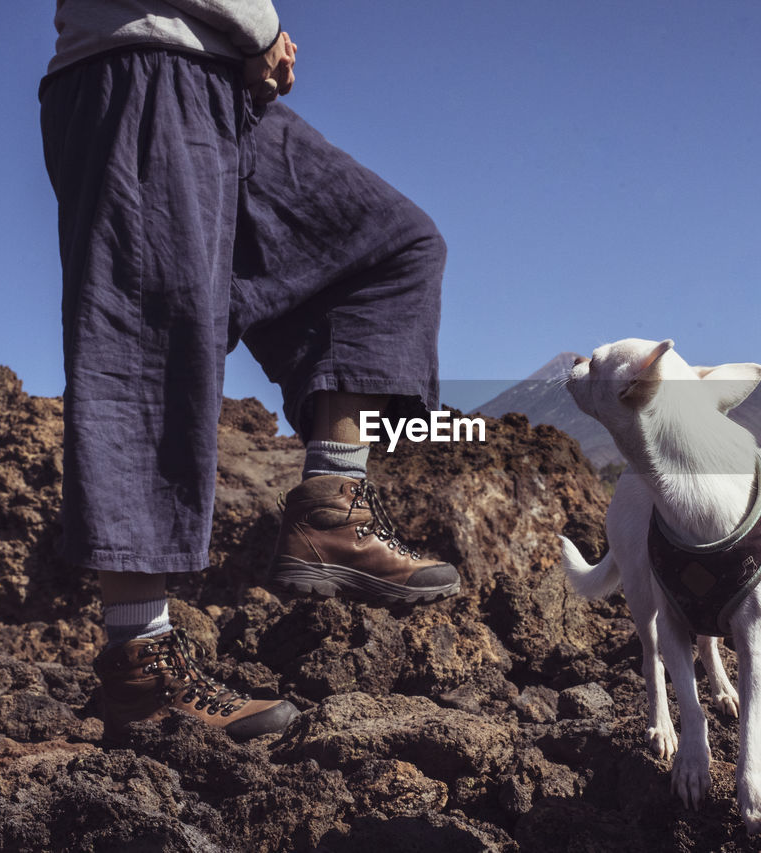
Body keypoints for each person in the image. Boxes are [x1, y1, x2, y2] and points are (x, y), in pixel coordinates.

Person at [39, 0, 460, 741]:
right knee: (148, 352)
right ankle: (140, 668)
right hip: (141, 69)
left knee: (391, 245)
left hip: (220, 85)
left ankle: (333, 503)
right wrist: (259, 26)